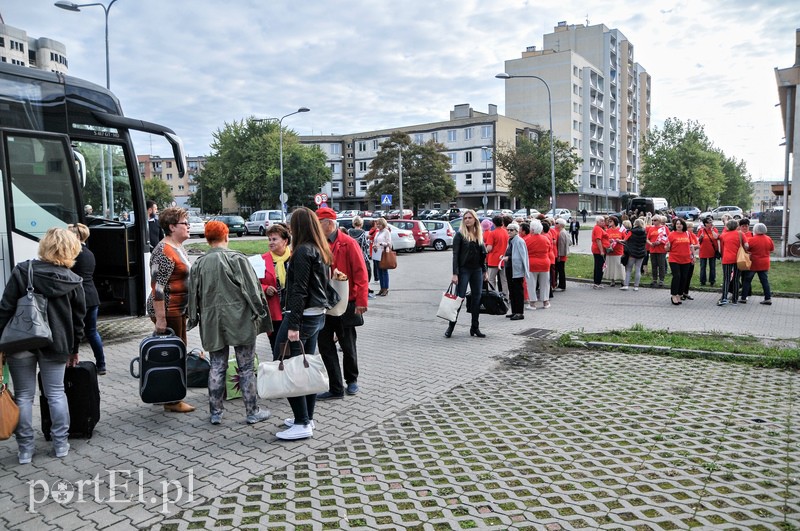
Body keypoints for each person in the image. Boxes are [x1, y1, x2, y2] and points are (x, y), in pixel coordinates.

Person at [0, 228, 86, 464]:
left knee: (24, 396)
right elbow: (80, 320)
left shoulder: (22, 271)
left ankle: (25, 450)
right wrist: (74, 348)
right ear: (71, 249)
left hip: (21, 340)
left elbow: (5, 308)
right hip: (57, 342)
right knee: (56, 393)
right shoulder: (73, 280)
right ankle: (60, 445)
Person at [188, 220, 271, 426]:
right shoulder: (237, 259)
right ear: (226, 236)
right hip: (240, 320)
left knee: (216, 365)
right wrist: (261, 312)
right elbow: (253, 290)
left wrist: (193, 318)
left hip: (212, 321)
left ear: (207, 239)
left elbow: (192, 296)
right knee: (245, 367)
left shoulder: (198, 264)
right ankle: (252, 411)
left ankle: (216, 412)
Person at [272, 207, 333, 440]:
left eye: (290, 224)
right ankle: (306, 417)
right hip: (316, 315)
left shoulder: (302, 251)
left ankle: (302, 422)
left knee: (287, 365)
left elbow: (299, 290)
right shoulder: (319, 248)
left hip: (302, 317)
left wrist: (294, 325)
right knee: (304, 367)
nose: (288, 227)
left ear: (298, 227)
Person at [315, 207, 369, 399]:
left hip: (348, 302)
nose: (316, 227)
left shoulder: (348, 243)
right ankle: (335, 386)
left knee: (347, 343)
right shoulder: (318, 244)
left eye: (318, 223)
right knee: (324, 345)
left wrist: (362, 301)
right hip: (325, 303)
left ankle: (352, 380)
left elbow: (361, 273)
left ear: (329, 224)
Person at [147, 206, 195, 413]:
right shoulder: (164, 251)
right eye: (185, 223)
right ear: (172, 226)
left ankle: (165, 392)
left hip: (177, 309)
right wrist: (161, 319)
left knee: (173, 353)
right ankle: (172, 400)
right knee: (175, 354)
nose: (188, 226)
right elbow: (157, 288)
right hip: (168, 310)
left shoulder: (176, 247)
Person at [67, 223, 107, 375]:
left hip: (79, 297)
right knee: (92, 332)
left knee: (74, 330)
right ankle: (101, 364)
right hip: (92, 296)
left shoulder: (73, 253)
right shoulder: (89, 253)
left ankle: (72, 359)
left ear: (76, 236)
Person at [445, 209, 488, 338]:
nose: (467, 220)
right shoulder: (459, 235)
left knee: (477, 299)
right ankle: (451, 327)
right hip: (464, 270)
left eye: (470, 217)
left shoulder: (478, 234)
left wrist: (484, 270)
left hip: (477, 270)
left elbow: (483, 255)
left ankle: (475, 327)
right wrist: (455, 273)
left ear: (475, 219)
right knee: (459, 298)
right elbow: (455, 255)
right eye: (465, 218)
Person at [261, 224, 291, 350]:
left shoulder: (294, 257)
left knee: (292, 349)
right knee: (277, 348)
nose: (271, 242)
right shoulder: (262, 260)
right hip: (274, 312)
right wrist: (265, 288)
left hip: (291, 311)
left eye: (274, 239)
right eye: (269, 239)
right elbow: (253, 283)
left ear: (285, 241)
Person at [500, 223, 529, 320]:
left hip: (516, 269)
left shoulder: (519, 241)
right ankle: (514, 311)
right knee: (512, 291)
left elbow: (522, 256)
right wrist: (504, 257)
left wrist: (509, 258)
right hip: (510, 268)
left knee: (518, 291)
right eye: (508, 230)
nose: (509, 231)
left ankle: (519, 312)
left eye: (511, 230)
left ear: (517, 231)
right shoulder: (511, 240)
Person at [740, 223, 774, 305]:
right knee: (764, 281)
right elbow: (772, 249)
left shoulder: (752, 239)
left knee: (747, 280)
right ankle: (768, 298)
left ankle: (743, 298)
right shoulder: (768, 239)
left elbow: (746, 248)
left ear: (755, 230)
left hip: (754, 263)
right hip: (765, 263)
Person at [718, 219, 747, 306]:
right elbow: (747, 245)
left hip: (727, 258)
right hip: (738, 259)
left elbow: (721, 247)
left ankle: (724, 298)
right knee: (736, 279)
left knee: (726, 278)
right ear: (737, 226)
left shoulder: (723, 235)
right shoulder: (740, 234)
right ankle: (735, 299)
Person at [665, 218, 692, 305]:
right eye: (677, 224)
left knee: (684, 277)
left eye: (680, 224)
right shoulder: (671, 235)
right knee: (677, 276)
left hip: (686, 259)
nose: (679, 225)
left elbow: (690, 245)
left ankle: (679, 294)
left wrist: (692, 256)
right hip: (674, 259)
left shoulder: (687, 234)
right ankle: (673, 295)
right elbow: (666, 248)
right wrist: (667, 246)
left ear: (683, 225)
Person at [525, 219, 551, 310]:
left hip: (532, 263)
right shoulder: (546, 239)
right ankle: (545, 301)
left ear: (532, 229)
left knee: (531, 284)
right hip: (545, 262)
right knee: (545, 283)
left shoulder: (528, 240)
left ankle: (532, 303)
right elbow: (549, 250)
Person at [347, 216, 374, 300]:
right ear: (361, 223)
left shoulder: (349, 232)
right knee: (366, 273)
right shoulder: (362, 232)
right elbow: (364, 245)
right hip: (362, 256)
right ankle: (365, 291)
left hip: (350, 255)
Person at [485, 215, 508, 298]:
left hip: (494, 259)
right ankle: (506, 297)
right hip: (504, 259)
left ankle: (492, 297)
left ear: (493, 223)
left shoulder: (492, 233)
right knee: (504, 280)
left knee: (491, 280)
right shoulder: (506, 232)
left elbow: (489, 248)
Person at [621, 218, 648, 291]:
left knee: (629, 269)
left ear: (635, 224)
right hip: (641, 252)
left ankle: (626, 285)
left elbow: (624, 240)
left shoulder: (631, 232)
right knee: (638, 269)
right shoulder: (644, 232)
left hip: (631, 253)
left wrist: (618, 240)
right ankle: (636, 286)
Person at [646, 215, 669, 288]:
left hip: (661, 249)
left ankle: (661, 280)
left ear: (659, 221)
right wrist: (650, 243)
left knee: (661, 265)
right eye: (652, 220)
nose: (653, 222)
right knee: (654, 265)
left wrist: (660, 242)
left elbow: (668, 237)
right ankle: (654, 279)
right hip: (653, 249)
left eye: (655, 220)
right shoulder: (651, 229)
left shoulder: (664, 228)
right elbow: (647, 238)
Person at [371, 218, 392, 296]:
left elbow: (389, 243)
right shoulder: (377, 232)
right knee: (379, 271)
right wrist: (374, 245)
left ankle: (385, 288)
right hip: (377, 253)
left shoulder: (386, 232)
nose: (378, 226)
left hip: (383, 253)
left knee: (384, 271)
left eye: (379, 224)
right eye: (377, 224)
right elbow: (375, 241)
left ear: (383, 224)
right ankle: (381, 288)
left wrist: (381, 244)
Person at [697, 216, 720, 286]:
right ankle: (702, 281)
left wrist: (712, 230)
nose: (711, 223)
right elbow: (698, 240)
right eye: (709, 222)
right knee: (703, 267)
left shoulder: (714, 229)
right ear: (705, 224)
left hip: (712, 251)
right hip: (703, 251)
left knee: (712, 267)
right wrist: (700, 237)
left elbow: (717, 237)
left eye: (711, 222)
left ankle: (712, 280)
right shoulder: (701, 230)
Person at [604, 216, 625, 287]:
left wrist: (620, 241)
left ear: (615, 222)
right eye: (608, 221)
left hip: (619, 251)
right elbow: (605, 240)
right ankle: (612, 280)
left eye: (611, 221)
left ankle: (622, 280)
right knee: (611, 266)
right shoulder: (607, 230)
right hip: (610, 252)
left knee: (620, 266)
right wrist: (609, 241)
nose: (609, 222)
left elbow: (626, 240)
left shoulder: (621, 230)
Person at [591, 216, 609, 289]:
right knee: (599, 266)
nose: (603, 222)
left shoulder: (599, 228)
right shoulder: (598, 228)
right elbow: (598, 240)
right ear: (597, 222)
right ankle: (597, 282)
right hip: (598, 250)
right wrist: (601, 250)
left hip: (598, 249)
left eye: (603, 221)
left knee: (598, 266)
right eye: (601, 221)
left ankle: (597, 282)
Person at [555, 218, 570, 291]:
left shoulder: (561, 233)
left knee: (561, 270)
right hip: (563, 254)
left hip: (561, 255)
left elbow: (561, 245)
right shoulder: (564, 232)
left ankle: (562, 285)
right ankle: (561, 285)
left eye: (556, 223)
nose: (555, 224)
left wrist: (559, 255)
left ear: (560, 224)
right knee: (561, 270)